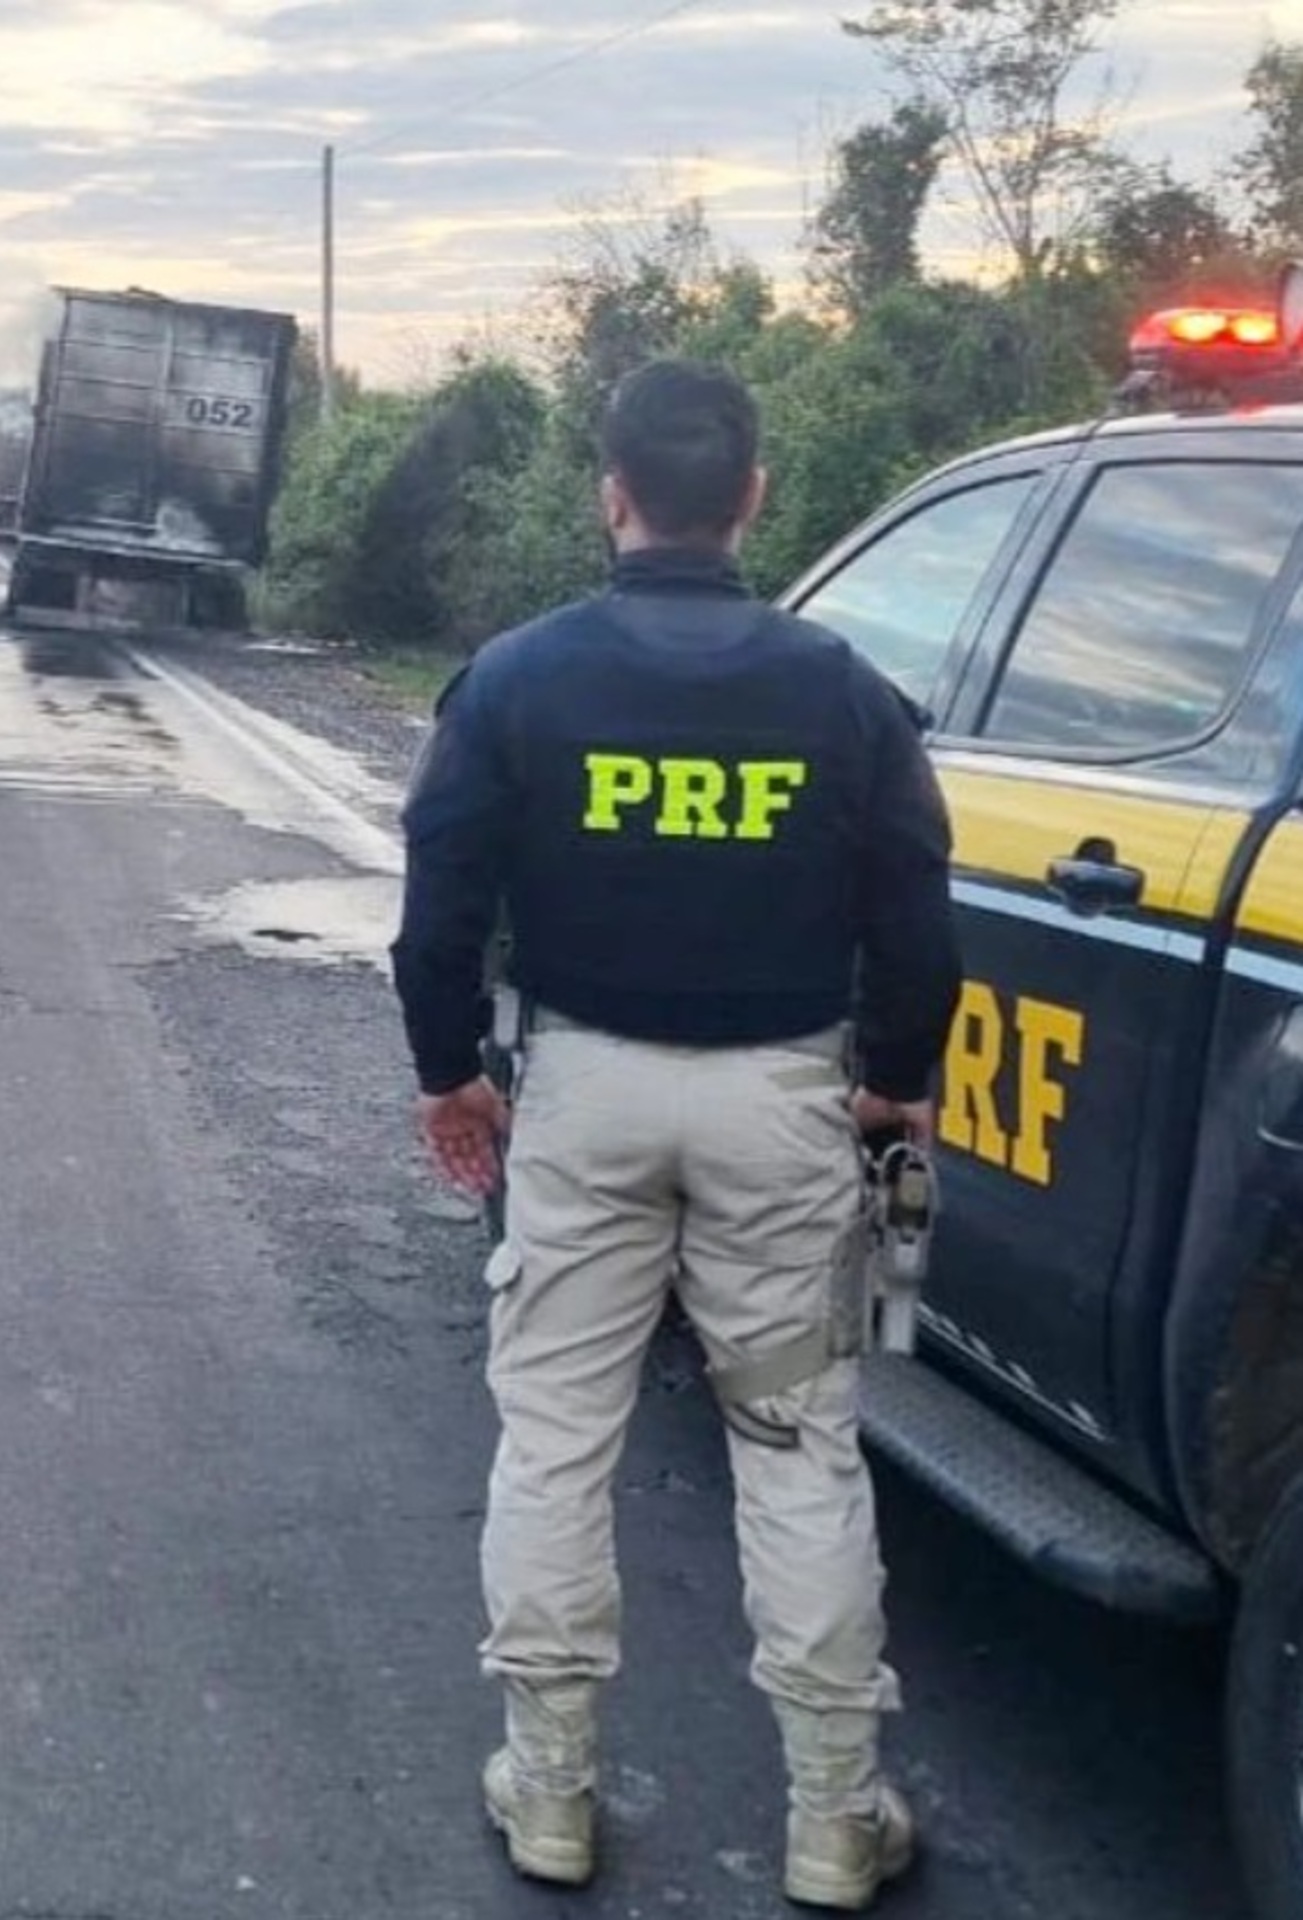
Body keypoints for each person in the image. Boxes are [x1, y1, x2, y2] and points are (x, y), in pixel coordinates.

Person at [391, 360, 961, 1911]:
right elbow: (918, 907)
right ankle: (838, 1817)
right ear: (757, 498)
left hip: (581, 1098)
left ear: (611, 494)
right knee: (795, 1448)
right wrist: (897, 1080)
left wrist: (451, 1073)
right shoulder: (844, 693)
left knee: (560, 1437)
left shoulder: (517, 681)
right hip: (784, 1105)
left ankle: (554, 1792)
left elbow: (439, 901)